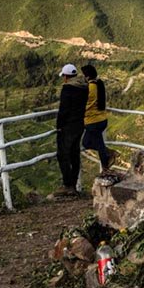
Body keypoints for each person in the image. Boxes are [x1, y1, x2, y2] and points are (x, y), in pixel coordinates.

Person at [54, 63, 87, 197]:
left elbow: (64, 109)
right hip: (79, 124)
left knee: (62, 155)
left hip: (68, 126)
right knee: (75, 154)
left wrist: (59, 125)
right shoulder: (83, 87)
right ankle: (73, 183)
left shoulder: (67, 88)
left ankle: (67, 185)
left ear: (66, 76)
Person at [80, 63, 115, 176]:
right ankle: (108, 158)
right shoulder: (99, 85)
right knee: (92, 143)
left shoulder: (90, 88)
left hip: (93, 121)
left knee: (92, 144)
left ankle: (106, 166)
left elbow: (85, 104)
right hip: (101, 119)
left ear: (87, 77)